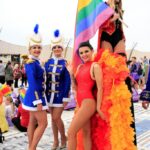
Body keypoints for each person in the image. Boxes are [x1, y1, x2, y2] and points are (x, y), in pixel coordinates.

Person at [68, 41, 104, 150]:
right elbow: (76, 87)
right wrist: (70, 74)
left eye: (86, 51)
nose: (84, 54)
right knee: (86, 132)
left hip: (88, 103)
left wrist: (98, 107)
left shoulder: (95, 66)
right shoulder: (80, 67)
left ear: (92, 51)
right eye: (81, 53)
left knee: (70, 132)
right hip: (81, 103)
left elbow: (100, 88)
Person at [22, 24, 48, 150]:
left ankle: (31, 147)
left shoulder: (36, 61)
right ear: (29, 49)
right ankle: (32, 148)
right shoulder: (31, 63)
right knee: (43, 123)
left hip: (34, 96)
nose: (37, 49)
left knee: (32, 122)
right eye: (34, 48)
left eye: (38, 47)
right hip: (35, 97)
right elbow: (32, 83)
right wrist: (38, 100)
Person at [45, 29, 71, 149]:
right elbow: (45, 78)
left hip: (60, 95)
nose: (56, 49)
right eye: (54, 47)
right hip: (49, 95)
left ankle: (63, 137)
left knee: (56, 117)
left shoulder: (66, 63)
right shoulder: (47, 62)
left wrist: (66, 97)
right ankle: (56, 141)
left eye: (59, 47)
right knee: (53, 119)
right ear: (52, 49)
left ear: (62, 49)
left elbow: (67, 81)